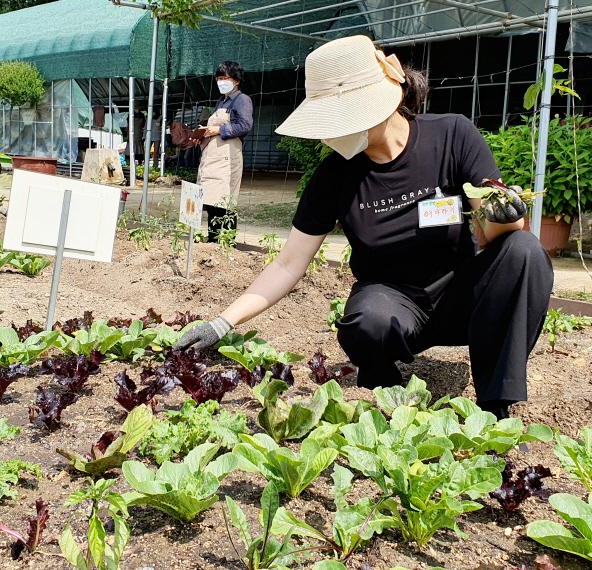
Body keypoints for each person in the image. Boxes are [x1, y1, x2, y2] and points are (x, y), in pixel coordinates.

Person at [176, 35, 554, 419]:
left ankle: (495, 406)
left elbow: (497, 230)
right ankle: (385, 388)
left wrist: (505, 214)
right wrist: (222, 322)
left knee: (525, 251)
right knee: (363, 323)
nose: (331, 133)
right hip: (392, 302)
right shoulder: (335, 175)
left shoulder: (452, 135)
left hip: (464, 298)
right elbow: (288, 264)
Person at [195, 61, 254, 243]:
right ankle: (213, 240)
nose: (221, 82)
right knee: (212, 200)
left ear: (236, 80)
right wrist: (204, 132)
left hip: (228, 158)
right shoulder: (221, 101)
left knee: (225, 201)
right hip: (212, 157)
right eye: (219, 78)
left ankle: (227, 242)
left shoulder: (242, 99)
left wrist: (219, 130)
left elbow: (244, 125)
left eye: (225, 78)